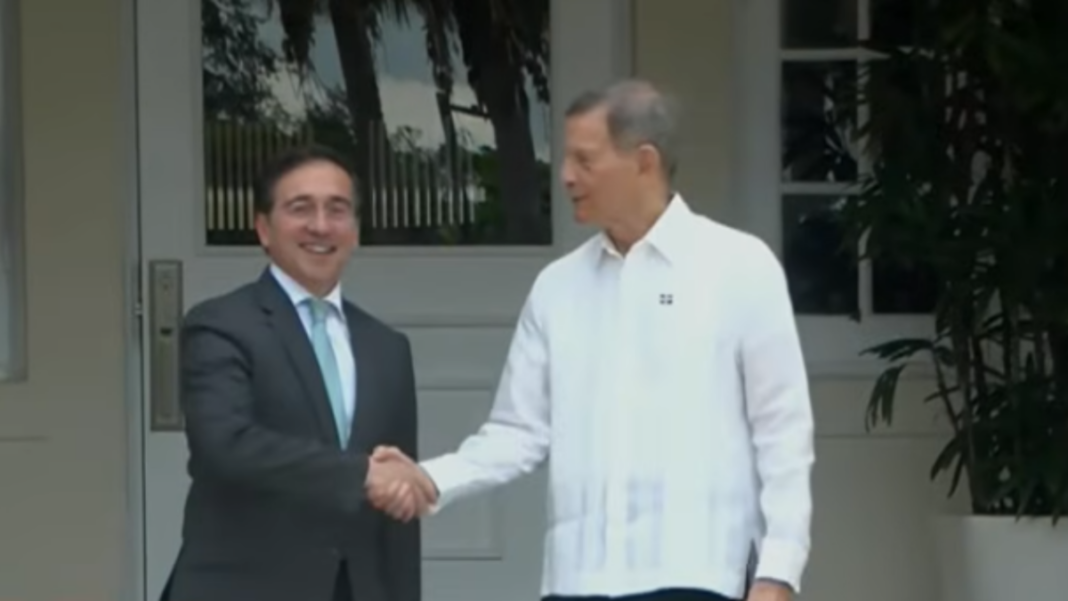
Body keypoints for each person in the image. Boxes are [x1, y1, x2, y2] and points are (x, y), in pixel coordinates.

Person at [370, 79, 816, 601]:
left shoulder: (738, 266)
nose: (565, 175)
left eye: (584, 160)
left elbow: (783, 432)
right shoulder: (557, 287)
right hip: (576, 581)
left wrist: (779, 570)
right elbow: (518, 431)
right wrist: (429, 478)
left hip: (697, 576)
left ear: (644, 162)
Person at [163, 145, 434, 601]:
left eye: (337, 209)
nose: (321, 225)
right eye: (300, 208)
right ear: (263, 228)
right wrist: (360, 473)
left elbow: (396, 504)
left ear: (355, 231)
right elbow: (224, 446)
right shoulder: (220, 325)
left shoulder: (387, 348)